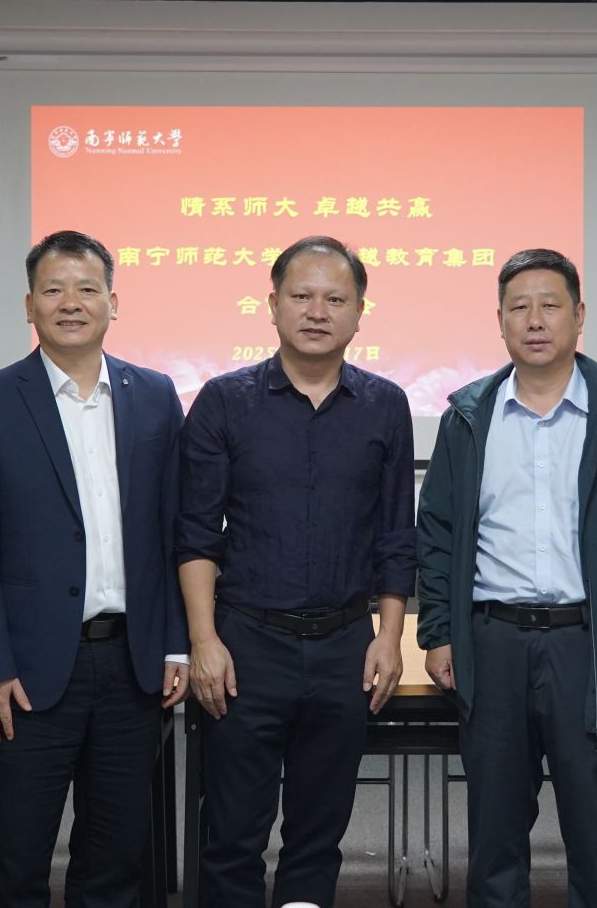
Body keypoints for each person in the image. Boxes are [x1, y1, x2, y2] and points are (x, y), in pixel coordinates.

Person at [414, 248, 597, 908]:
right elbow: (438, 533)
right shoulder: (467, 418)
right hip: (493, 643)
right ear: (500, 321)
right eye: (519, 307)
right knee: (494, 844)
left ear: (579, 315)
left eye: (550, 305)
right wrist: (439, 631)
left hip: (590, 646)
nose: (535, 320)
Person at [0, 230, 189, 908]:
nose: (71, 303)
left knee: (114, 862)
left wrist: (175, 643)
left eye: (87, 289)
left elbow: (174, 532)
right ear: (30, 305)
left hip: (132, 665)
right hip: (25, 673)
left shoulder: (154, 395)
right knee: (16, 863)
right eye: (53, 290)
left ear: (114, 302)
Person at [177, 235, 415, 908]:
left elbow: (396, 535)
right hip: (246, 644)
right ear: (272, 304)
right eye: (301, 296)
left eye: (335, 299)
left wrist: (388, 636)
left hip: (345, 646)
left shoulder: (386, 404)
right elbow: (196, 533)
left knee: (319, 834)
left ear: (359, 312)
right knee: (232, 834)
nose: (317, 311)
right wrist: (204, 640)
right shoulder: (224, 401)